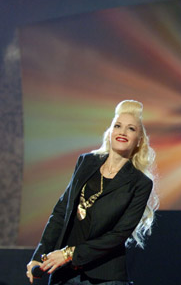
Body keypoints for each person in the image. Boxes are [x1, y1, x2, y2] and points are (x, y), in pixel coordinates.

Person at [26, 100, 159, 285]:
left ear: (139, 141)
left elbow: (118, 235)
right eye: (118, 126)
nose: (122, 131)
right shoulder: (86, 162)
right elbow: (61, 212)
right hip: (65, 274)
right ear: (110, 132)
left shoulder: (140, 183)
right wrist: (40, 255)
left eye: (131, 129)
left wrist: (69, 254)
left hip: (105, 277)